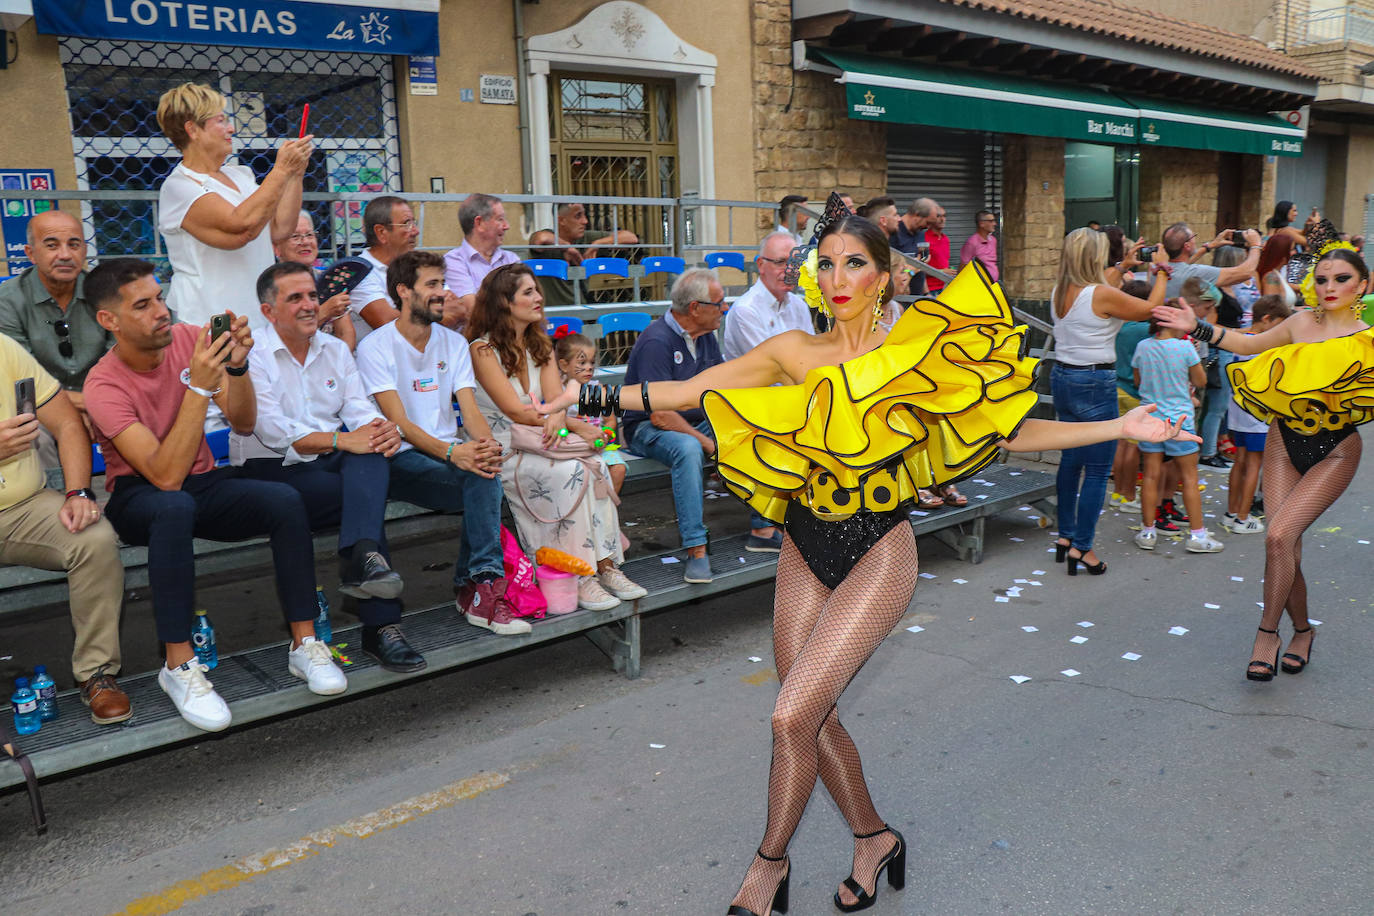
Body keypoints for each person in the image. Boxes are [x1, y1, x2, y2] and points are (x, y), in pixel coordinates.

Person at [548, 196, 1194, 915]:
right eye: (825, 265)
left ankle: (768, 866)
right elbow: (694, 389)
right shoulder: (795, 352)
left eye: (854, 263)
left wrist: (1117, 421)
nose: (837, 276)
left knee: (790, 717)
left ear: (884, 275)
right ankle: (873, 838)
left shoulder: (913, 353)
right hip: (804, 541)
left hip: (878, 550)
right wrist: (595, 394)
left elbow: (1011, 432)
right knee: (812, 717)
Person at [83, 258, 347, 733]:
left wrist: (238, 367)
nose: (161, 311)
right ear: (109, 320)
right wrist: (200, 387)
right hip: (140, 495)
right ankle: (179, 665)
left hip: (202, 484)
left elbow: (243, 422)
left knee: (285, 500)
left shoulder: (188, 339)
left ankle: (305, 645)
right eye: (143, 305)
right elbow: (163, 474)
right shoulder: (103, 383)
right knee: (174, 505)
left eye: (160, 297)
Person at [1154, 243, 1374, 682]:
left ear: (1363, 285)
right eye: (1323, 278)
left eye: (1342, 279)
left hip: (1335, 450)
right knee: (1283, 544)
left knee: (1277, 535)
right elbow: (1247, 343)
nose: (1330, 286)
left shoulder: (1368, 338)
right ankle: (1304, 631)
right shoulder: (1300, 322)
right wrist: (1195, 326)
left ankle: (1267, 633)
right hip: (1282, 440)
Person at [231, 261, 421, 672]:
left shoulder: (334, 349)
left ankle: (365, 558)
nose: (309, 305)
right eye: (295, 298)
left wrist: (378, 428)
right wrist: (344, 439)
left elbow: (356, 406)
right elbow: (272, 430)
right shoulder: (255, 355)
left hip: (328, 462)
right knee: (361, 494)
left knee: (370, 457)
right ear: (268, 311)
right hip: (271, 470)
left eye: (313, 296)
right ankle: (381, 625)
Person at [354, 251, 530, 637]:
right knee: (480, 479)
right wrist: (456, 452)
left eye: (442, 283)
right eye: (431, 285)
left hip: (448, 455)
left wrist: (484, 446)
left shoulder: (452, 343)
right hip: (397, 459)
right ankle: (479, 586)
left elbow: (469, 411)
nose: (442, 292)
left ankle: (480, 586)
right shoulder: (375, 347)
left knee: (485, 471)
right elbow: (397, 423)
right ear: (403, 291)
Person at [467, 263, 645, 609]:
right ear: (505, 302)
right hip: (504, 443)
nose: (539, 297)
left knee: (596, 464)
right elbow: (515, 411)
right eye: (528, 292)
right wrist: (568, 422)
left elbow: (558, 399)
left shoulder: (541, 344)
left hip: (545, 434)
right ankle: (577, 574)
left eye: (537, 290)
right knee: (570, 472)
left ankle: (605, 565)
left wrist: (562, 417)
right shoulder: (482, 349)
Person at [0, 333, 129, 724]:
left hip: (23, 505)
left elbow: (69, 424)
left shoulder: (3, 348)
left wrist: (77, 492)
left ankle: (97, 674)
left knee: (93, 537)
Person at [621, 268, 779, 584]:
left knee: (758, 430)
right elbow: (660, 415)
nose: (725, 309)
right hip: (646, 428)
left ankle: (763, 528)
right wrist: (711, 444)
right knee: (689, 449)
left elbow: (723, 392)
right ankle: (695, 547)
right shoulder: (657, 341)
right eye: (719, 303)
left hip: (694, 422)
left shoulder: (705, 336)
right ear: (695, 309)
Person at [1050, 227, 1170, 575]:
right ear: (1094, 258)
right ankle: (1083, 549)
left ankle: (1065, 537)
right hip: (1094, 381)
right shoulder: (1101, 293)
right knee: (1099, 468)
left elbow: (1100, 286)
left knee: (1071, 460)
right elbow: (1150, 307)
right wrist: (1161, 270)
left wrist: (1123, 264)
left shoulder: (1062, 290)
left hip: (1063, 377)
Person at [155, 82, 312, 328]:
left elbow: (281, 229)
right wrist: (281, 170)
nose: (231, 128)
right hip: (211, 320)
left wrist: (296, 174)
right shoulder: (179, 187)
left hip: (259, 316)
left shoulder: (241, 175)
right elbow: (240, 226)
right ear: (192, 130)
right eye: (220, 121)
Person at [0, 210, 112, 468]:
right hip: (39, 406)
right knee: (33, 433)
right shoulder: (8, 300)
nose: (64, 255)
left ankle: (140, 495)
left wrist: (101, 403)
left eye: (74, 245)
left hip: (103, 398)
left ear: (84, 250)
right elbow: (21, 380)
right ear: (30, 253)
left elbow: (120, 360)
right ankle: (61, 501)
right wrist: (81, 407)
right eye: (52, 245)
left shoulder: (105, 292)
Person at [1130, 313, 1224, 554]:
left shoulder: (1143, 346)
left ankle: (1148, 531)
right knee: (1190, 478)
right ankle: (1197, 534)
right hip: (1180, 419)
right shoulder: (1184, 347)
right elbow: (1201, 380)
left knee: (1150, 476)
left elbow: (1138, 382)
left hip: (1151, 419)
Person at [1221, 295, 1292, 535]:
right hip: (1256, 415)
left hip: (1237, 413)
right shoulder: (1261, 346)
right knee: (1253, 465)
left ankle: (1232, 513)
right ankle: (1243, 517)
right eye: (1278, 325)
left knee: (1239, 462)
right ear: (1267, 319)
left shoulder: (1240, 340)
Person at [555, 331, 628, 495]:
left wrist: (606, 434)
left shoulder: (598, 389)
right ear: (564, 365)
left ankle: (607, 509)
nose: (588, 367)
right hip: (570, 446)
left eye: (592, 362)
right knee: (578, 472)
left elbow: (610, 420)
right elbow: (556, 421)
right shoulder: (557, 391)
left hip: (600, 445)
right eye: (582, 362)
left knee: (618, 468)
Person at [722, 231, 813, 361]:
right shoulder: (746, 310)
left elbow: (812, 354)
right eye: (780, 262)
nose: (789, 270)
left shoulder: (799, 306)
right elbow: (769, 368)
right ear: (760, 265)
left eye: (795, 263)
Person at [274, 210, 356, 350]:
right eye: (295, 236)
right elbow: (281, 338)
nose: (305, 242)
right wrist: (324, 312)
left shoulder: (330, 278)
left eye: (309, 235)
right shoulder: (271, 286)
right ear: (277, 249)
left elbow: (345, 334)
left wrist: (338, 366)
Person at [345, 195, 419, 343]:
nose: (415, 231)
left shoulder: (418, 264)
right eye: (406, 224)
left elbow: (456, 306)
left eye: (413, 223)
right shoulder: (359, 271)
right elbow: (388, 323)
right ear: (381, 232)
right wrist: (432, 310)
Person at [1108, 280, 1152, 512]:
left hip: (1116, 386)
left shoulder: (1118, 327)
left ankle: (1118, 492)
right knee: (1133, 446)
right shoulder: (1144, 330)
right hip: (1135, 391)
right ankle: (1129, 493)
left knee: (1121, 443)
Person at [443, 193, 520, 326]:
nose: (507, 226)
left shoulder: (511, 259)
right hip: (473, 343)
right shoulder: (453, 261)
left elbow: (526, 304)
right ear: (479, 223)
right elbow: (473, 311)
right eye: (500, 219)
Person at [1160, 222, 1261, 298]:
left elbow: (1181, 265)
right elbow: (1245, 273)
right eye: (1193, 237)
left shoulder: (1157, 269)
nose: (1194, 240)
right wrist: (1255, 245)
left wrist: (1211, 246)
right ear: (1187, 245)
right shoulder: (1196, 272)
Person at [1256, 233, 1299, 311]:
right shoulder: (1271, 277)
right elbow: (1272, 310)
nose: (1295, 252)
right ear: (1281, 252)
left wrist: (1298, 310)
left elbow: (1285, 307)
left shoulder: (1277, 274)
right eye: (1292, 249)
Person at [959, 210, 999, 282]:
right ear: (981, 224)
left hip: (993, 285)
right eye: (991, 221)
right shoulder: (971, 243)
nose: (995, 224)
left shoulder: (993, 240)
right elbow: (963, 267)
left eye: (994, 221)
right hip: (979, 286)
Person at [923, 204, 951, 293]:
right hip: (930, 290)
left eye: (944, 216)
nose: (942, 219)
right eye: (938, 216)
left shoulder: (945, 239)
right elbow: (918, 268)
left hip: (946, 287)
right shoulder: (924, 239)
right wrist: (941, 272)